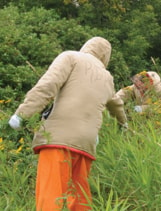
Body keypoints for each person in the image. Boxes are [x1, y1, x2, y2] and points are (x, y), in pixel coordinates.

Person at [8, 37, 128, 210]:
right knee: (80, 197)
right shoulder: (107, 77)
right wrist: (124, 124)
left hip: (58, 139)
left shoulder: (71, 57)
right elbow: (117, 104)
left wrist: (22, 114)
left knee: (51, 195)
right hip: (87, 143)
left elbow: (48, 85)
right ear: (106, 56)